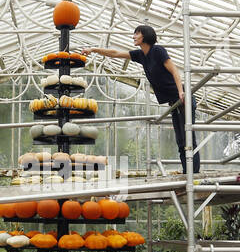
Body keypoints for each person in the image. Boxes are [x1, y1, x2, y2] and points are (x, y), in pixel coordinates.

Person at [84, 25, 200, 174]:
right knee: (181, 141)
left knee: (188, 138)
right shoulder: (141, 55)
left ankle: (194, 173)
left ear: (145, 36)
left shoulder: (158, 51)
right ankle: (187, 172)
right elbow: (115, 53)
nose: (134, 36)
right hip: (174, 103)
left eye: (137, 33)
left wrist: (181, 92)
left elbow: (174, 70)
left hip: (183, 99)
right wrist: (94, 50)